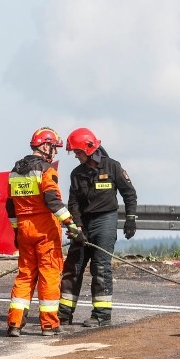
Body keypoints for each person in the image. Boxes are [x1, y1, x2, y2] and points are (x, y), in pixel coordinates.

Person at [5, 126, 82, 337]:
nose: (55, 152)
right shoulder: (46, 170)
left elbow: (10, 207)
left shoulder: (15, 171)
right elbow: (52, 200)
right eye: (54, 148)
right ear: (45, 146)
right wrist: (72, 225)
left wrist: (15, 232)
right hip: (44, 231)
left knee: (25, 275)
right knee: (49, 275)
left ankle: (14, 323)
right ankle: (49, 325)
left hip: (23, 229)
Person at [58, 127, 138, 327]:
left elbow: (129, 193)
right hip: (83, 222)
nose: (76, 156)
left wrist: (130, 219)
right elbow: (73, 203)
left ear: (89, 149)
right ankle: (64, 314)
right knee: (73, 267)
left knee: (100, 267)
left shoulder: (112, 167)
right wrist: (77, 228)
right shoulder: (76, 174)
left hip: (106, 220)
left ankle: (101, 314)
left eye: (77, 152)